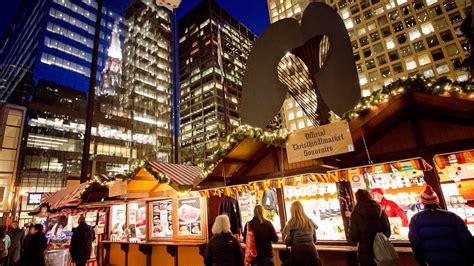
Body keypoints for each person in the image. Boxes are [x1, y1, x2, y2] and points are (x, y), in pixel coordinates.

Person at [408, 185, 473, 266]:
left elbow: (415, 242)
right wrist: (470, 260)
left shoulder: (416, 219)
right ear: (437, 201)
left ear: (422, 202)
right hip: (456, 260)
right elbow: (467, 240)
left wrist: (421, 260)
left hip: (432, 261)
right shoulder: (453, 216)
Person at [349, 189, 391, 266]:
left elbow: (353, 237)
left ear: (357, 198)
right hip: (382, 248)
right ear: (369, 196)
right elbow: (388, 232)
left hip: (365, 251)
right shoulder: (380, 210)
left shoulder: (355, 213)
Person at [283, 201, 320, 266]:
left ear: (291, 211)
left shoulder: (290, 223)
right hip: (312, 253)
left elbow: (288, 242)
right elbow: (315, 240)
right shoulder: (310, 221)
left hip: (297, 255)